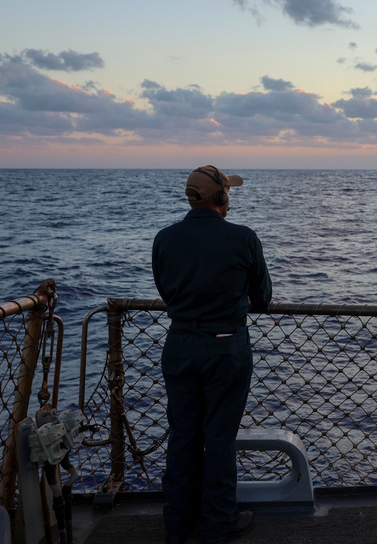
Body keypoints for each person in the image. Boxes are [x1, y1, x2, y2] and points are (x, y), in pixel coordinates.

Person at [152, 165, 272, 544]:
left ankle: (178, 523)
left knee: (183, 434)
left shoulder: (164, 238)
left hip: (180, 344)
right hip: (225, 346)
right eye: (228, 192)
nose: (230, 197)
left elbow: (166, 292)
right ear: (221, 198)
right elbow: (262, 298)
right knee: (219, 437)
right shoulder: (243, 238)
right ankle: (219, 523)